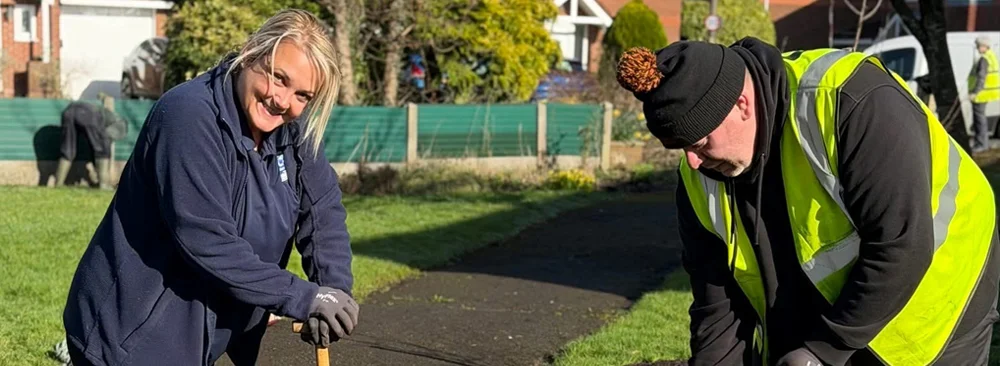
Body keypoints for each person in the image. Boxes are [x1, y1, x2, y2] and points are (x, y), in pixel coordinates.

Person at [616, 38, 1000, 365]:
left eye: (699, 142)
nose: (693, 161)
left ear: (742, 104)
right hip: (831, 305)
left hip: (938, 287)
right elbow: (716, 301)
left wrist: (823, 351)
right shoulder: (700, 174)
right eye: (679, 148)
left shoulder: (852, 102)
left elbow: (902, 245)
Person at [62, 9, 358, 366]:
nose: (283, 101)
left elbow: (322, 213)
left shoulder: (295, 132)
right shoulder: (188, 116)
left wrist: (332, 293)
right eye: (279, 78)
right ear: (251, 53)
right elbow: (207, 241)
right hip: (132, 333)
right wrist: (303, 297)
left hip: (209, 329)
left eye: (303, 95)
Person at [54, 98, 127, 190]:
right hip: (89, 114)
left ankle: (58, 184)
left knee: (68, 148)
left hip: (68, 111)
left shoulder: (106, 115)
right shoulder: (118, 123)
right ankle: (104, 185)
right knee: (102, 150)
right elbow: (104, 143)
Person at [969, 35, 999, 153]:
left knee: (979, 120)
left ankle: (981, 144)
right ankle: (983, 143)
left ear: (984, 46)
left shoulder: (984, 59)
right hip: (986, 94)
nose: (977, 48)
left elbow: (981, 78)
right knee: (982, 120)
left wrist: (975, 93)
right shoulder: (992, 57)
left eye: (978, 46)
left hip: (980, 95)